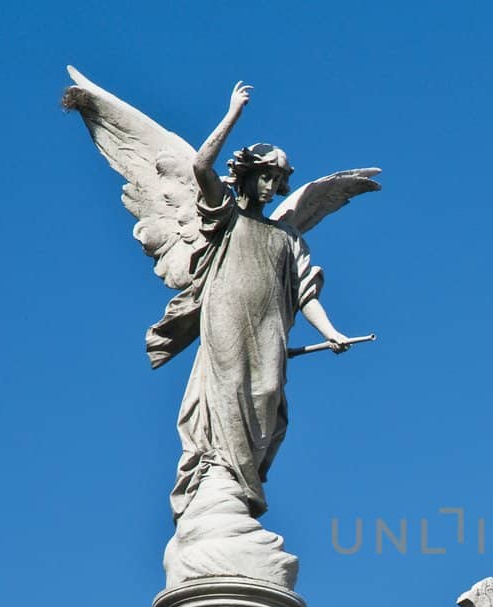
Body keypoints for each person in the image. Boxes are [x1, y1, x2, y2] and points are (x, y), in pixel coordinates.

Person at [147, 82, 357, 521]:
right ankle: (221, 478)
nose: (270, 186)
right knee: (227, 396)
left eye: (277, 180)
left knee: (267, 403)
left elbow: (304, 294)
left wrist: (332, 332)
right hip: (225, 321)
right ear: (245, 174)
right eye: (265, 176)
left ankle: (243, 485)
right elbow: (201, 165)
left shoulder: (285, 236)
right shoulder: (224, 216)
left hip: (269, 331)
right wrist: (233, 113)